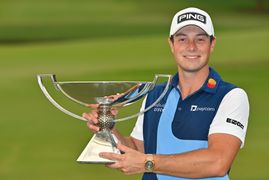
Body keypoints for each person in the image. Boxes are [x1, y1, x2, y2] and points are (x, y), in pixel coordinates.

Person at [83, 7, 249, 180]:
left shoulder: (231, 96)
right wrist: (108, 129)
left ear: (212, 44)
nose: (191, 47)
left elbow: (218, 162)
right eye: (182, 39)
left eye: (200, 39)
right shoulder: (154, 95)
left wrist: (147, 162)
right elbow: (137, 150)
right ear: (171, 44)